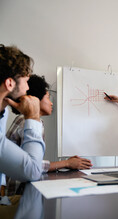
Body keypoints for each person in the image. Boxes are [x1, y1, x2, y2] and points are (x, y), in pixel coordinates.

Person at [6, 74, 92, 174]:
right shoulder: (26, 121)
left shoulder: (31, 121)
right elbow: (32, 166)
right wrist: (66, 163)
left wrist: (68, 162)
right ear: (35, 99)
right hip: (17, 187)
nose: (51, 103)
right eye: (47, 98)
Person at [0, 44, 45, 183]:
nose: (28, 87)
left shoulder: (3, 112)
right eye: (26, 81)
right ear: (9, 83)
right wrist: (33, 117)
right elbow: (32, 171)